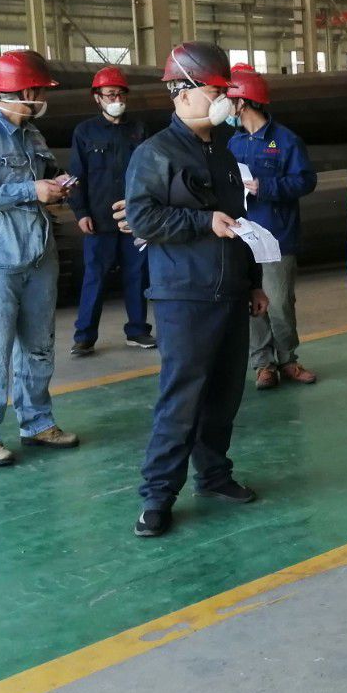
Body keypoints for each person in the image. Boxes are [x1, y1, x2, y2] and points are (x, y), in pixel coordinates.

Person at [126, 42, 268, 537]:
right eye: (215, 91)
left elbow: (240, 221)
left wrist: (253, 283)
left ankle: (214, 475)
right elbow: (142, 216)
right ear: (182, 93)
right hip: (184, 294)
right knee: (182, 397)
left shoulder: (225, 151)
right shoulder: (156, 153)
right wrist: (201, 221)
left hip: (230, 291)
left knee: (225, 394)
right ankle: (157, 496)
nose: (224, 100)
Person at [0, 50, 79, 466]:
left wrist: (57, 186)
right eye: (39, 90)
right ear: (23, 91)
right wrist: (31, 191)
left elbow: (43, 176)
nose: (43, 97)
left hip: (37, 255)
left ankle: (37, 422)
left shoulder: (31, 134)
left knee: (39, 348)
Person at [226, 63, 319, 389]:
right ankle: (263, 365)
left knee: (279, 303)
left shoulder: (286, 140)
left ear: (243, 102)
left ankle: (288, 360)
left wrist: (265, 187)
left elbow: (306, 181)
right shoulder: (232, 143)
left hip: (278, 235)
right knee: (253, 304)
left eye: (229, 100)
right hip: (245, 235)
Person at [68, 65, 152, 356]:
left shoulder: (138, 130)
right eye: (110, 94)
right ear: (97, 98)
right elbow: (76, 175)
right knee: (95, 277)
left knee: (137, 276)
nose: (117, 100)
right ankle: (85, 336)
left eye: (120, 94)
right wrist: (81, 212)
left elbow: (149, 173)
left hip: (134, 218)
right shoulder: (85, 132)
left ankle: (138, 331)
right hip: (99, 220)